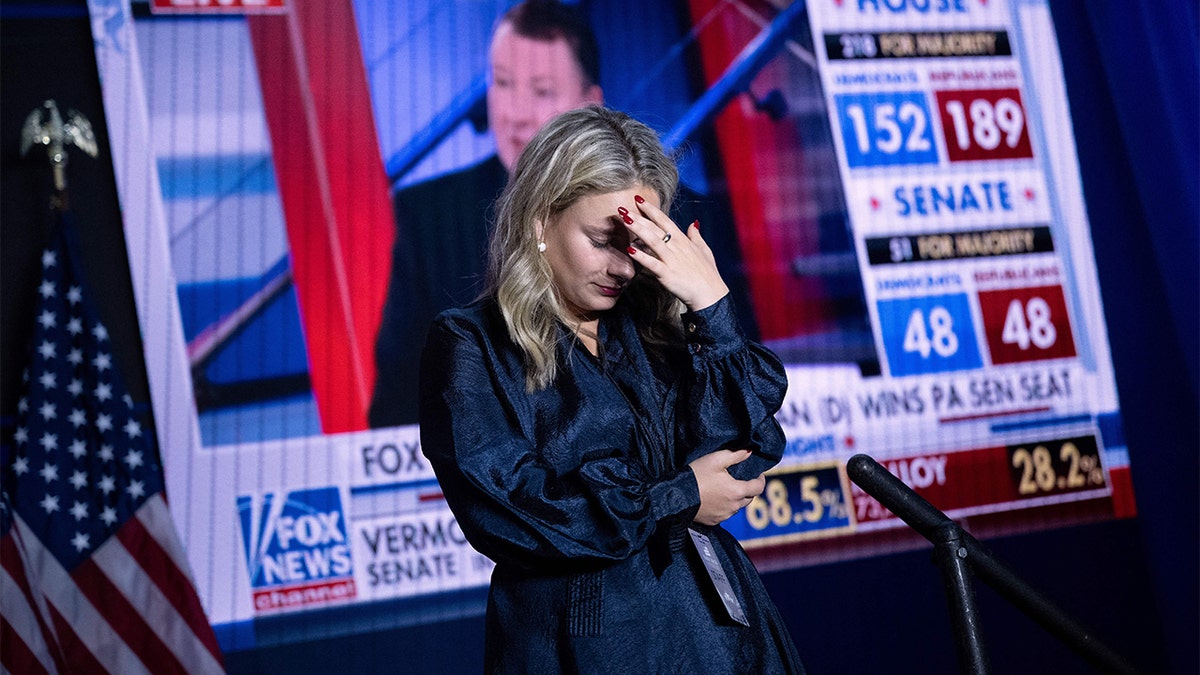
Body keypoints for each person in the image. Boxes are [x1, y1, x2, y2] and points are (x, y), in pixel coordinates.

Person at [419, 106, 804, 673]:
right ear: (539, 223)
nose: (623, 268)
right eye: (603, 239)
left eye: (638, 243)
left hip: (716, 631)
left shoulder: (659, 330)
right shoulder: (471, 343)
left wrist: (711, 306)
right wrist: (680, 496)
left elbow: (749, 452)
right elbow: (513, 514)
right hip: (583, 644)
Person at [369, 0, 756, 427]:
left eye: (541, 91)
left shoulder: (681, 215)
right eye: (502, 83)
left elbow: (738, 376)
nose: (514, 115)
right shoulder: (430, 215)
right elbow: (400, 398)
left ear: (590, 104)